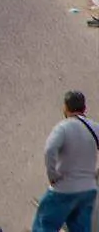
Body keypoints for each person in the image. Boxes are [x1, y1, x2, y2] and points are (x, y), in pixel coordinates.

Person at [32, 90, 98, 232]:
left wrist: (53, 176)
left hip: (64, 189)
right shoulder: (95, 127)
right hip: (88, 191)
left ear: (65, 108)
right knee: (81, 228)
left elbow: (50, 150)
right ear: (84, 108)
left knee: (44, 224)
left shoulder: (63, 127)